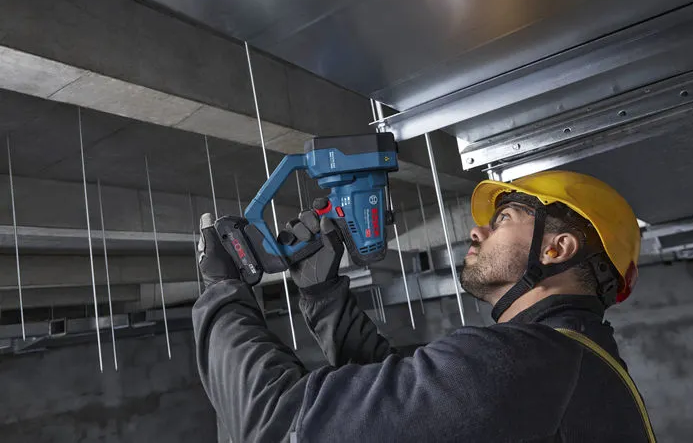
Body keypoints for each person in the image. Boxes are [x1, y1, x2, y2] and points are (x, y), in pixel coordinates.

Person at [193, 170, 657, 442]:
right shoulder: (570, 364)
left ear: (555, 250)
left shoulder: (525, 361)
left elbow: (276, 425)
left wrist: (220, 289)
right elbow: (402, 408)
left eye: (503, 220)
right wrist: (323, 296)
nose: (477, 232)